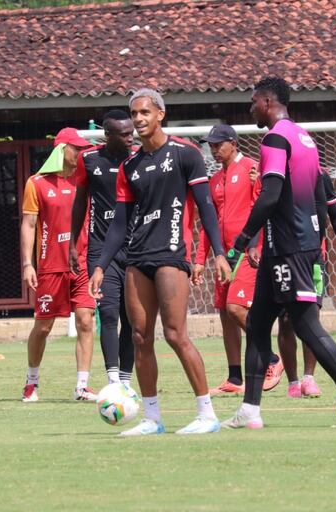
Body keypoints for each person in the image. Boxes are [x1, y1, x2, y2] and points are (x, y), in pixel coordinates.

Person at [222, 76, 336, 429]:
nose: (250, 109)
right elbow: (317, 198)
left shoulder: (275, 137)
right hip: (290, 246)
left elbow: (272, 194)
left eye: (253, 102)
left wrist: (243, 240)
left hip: (290, 247)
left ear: (266, 101)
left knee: (306, 326)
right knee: (259, 325)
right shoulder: (305, 138)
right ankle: (250, 410)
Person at [89, 88, 231, 436]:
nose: (138, 119)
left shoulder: (186, 154)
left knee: (175, 334)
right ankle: (152, 418)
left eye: (144, 112)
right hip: (137, 257)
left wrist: (219, 253)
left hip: (170, 255)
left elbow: (206, 207)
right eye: (134, 113)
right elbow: (120, 224)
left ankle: (206, 413)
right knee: (139, 336)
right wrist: (100, 266)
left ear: (160, 114)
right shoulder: (130, 167)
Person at [191, 123, 284, 396]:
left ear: (234, 143)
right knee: (224, 313)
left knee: (235, 307)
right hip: (224, 257)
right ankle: (234, 377)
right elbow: (210, 224)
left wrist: (255, 245)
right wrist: (200, 259)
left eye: (219, 144)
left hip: (248, 253)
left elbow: (264, 206)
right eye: (210, 145)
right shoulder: (214, 179)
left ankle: (272, 359)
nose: (214, 150)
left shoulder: (253, 169)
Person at [20, 128, 96, 402]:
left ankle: (82, 386)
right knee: (43, 327)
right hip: (50, 265)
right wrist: (28, 263)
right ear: (61, 149)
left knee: (86, 321)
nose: (82, 153)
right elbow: (29, 225)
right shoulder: (36, 183)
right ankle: (31, 382)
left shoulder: (86, 181)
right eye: (77, 148)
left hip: (83, 263)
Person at [278, 168, 336, 398]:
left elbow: (335, 215)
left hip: (314, 258)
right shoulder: (277, 173)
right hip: (282, 257)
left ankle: (309, 378)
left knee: (310, 317)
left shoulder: (320, 175)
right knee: (285, 319)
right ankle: (292, 383)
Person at [70, 110, 135, 386]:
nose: (131, 137)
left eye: (132, 131)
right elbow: (80, 201)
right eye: (124, 134)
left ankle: (126, 380)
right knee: (108, 313)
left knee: (131, 318)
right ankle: (113, 382)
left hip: (135, 249)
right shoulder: (89, 159)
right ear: (108, 135)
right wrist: (74, 242)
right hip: (100, 250)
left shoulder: (140, 159)